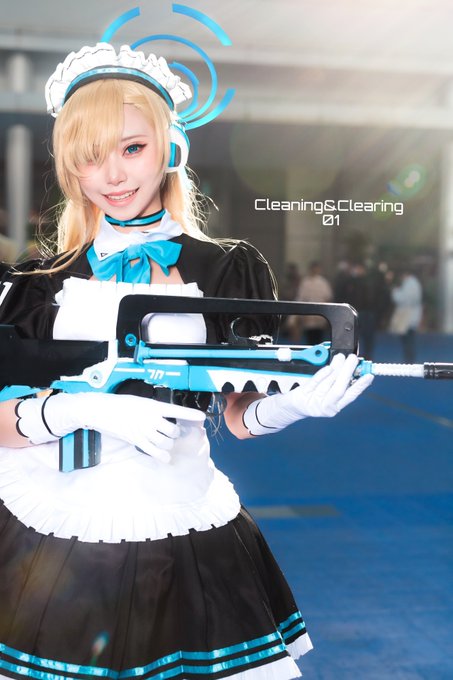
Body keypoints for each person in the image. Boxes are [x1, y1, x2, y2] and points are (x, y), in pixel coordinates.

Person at [0, 43, 373, 679]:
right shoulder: (36, 283)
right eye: (89, 156)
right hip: (50, 526)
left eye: (132, 148)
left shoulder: (226, 268)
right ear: (68, 168)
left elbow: (237, 414)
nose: (112, 175)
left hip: (181, 518)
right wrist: (73, 411)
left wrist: (292, 405)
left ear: (171, 149)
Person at [389, 266, 423, 363]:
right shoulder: (413, 283)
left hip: (408, 316)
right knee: (409, 338)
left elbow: (403, 299)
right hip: (411, 315)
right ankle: (409, 359)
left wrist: (395, 292)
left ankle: (409, 360)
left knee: (408, 339)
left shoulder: (410, 284)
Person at [295, 261, 333, 346]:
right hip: (309, 315)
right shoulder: (305, 282)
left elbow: (327, 298)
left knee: (319, 338)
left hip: (320, 315)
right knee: (310, 340)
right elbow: (301, 298)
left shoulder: (323, 282)